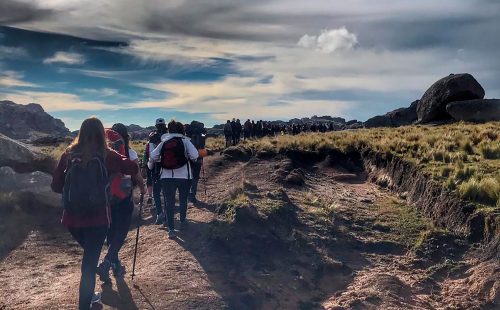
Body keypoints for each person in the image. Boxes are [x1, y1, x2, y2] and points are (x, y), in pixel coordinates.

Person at [51, 117, 138, 310]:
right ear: (101, 133)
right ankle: (85, 305)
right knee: (89, 266)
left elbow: (56, 186)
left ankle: (90, 296)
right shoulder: (107, 154)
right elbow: (133, 168)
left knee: (90, 259)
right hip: (98, 219)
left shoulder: (69, 154)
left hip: (72, 219)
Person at [97, 123, 146, 283]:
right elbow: (136, 175)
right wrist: (143, 188)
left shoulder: (101, 153)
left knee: (111, 231)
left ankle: (114, 263)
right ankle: (107, 263)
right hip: (124, 197)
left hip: (105, 199)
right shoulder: (130, 153)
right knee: (121, 232)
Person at [149, 120, 199, 239]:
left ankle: (171, 230)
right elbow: (195, 155)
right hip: (184, 176)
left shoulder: (163, 142)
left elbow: (153, 156)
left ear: (169, 130)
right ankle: (182, 221)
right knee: (182, 199)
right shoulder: (185, 141)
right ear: (181, 130)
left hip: (166, 177)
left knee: (169, 202)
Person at [146, 118, 168, 224]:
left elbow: (151, 155)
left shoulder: (152, 137)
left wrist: (149, 167)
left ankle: (160, 214)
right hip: (169, 167)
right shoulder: (169, 136)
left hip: (156, 168)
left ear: (156, 125)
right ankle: (167, 214)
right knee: (168, 192)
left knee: (156, 192)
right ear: (165, 125)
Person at [185, 120, 207, 204]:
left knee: (188, 175)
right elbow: (202, 147)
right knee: (195, 176)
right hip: (198, 156)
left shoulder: (188, 134)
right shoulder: (201, 135)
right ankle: (192, 194)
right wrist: (201, 157)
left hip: (188, 157)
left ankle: (187, 194)